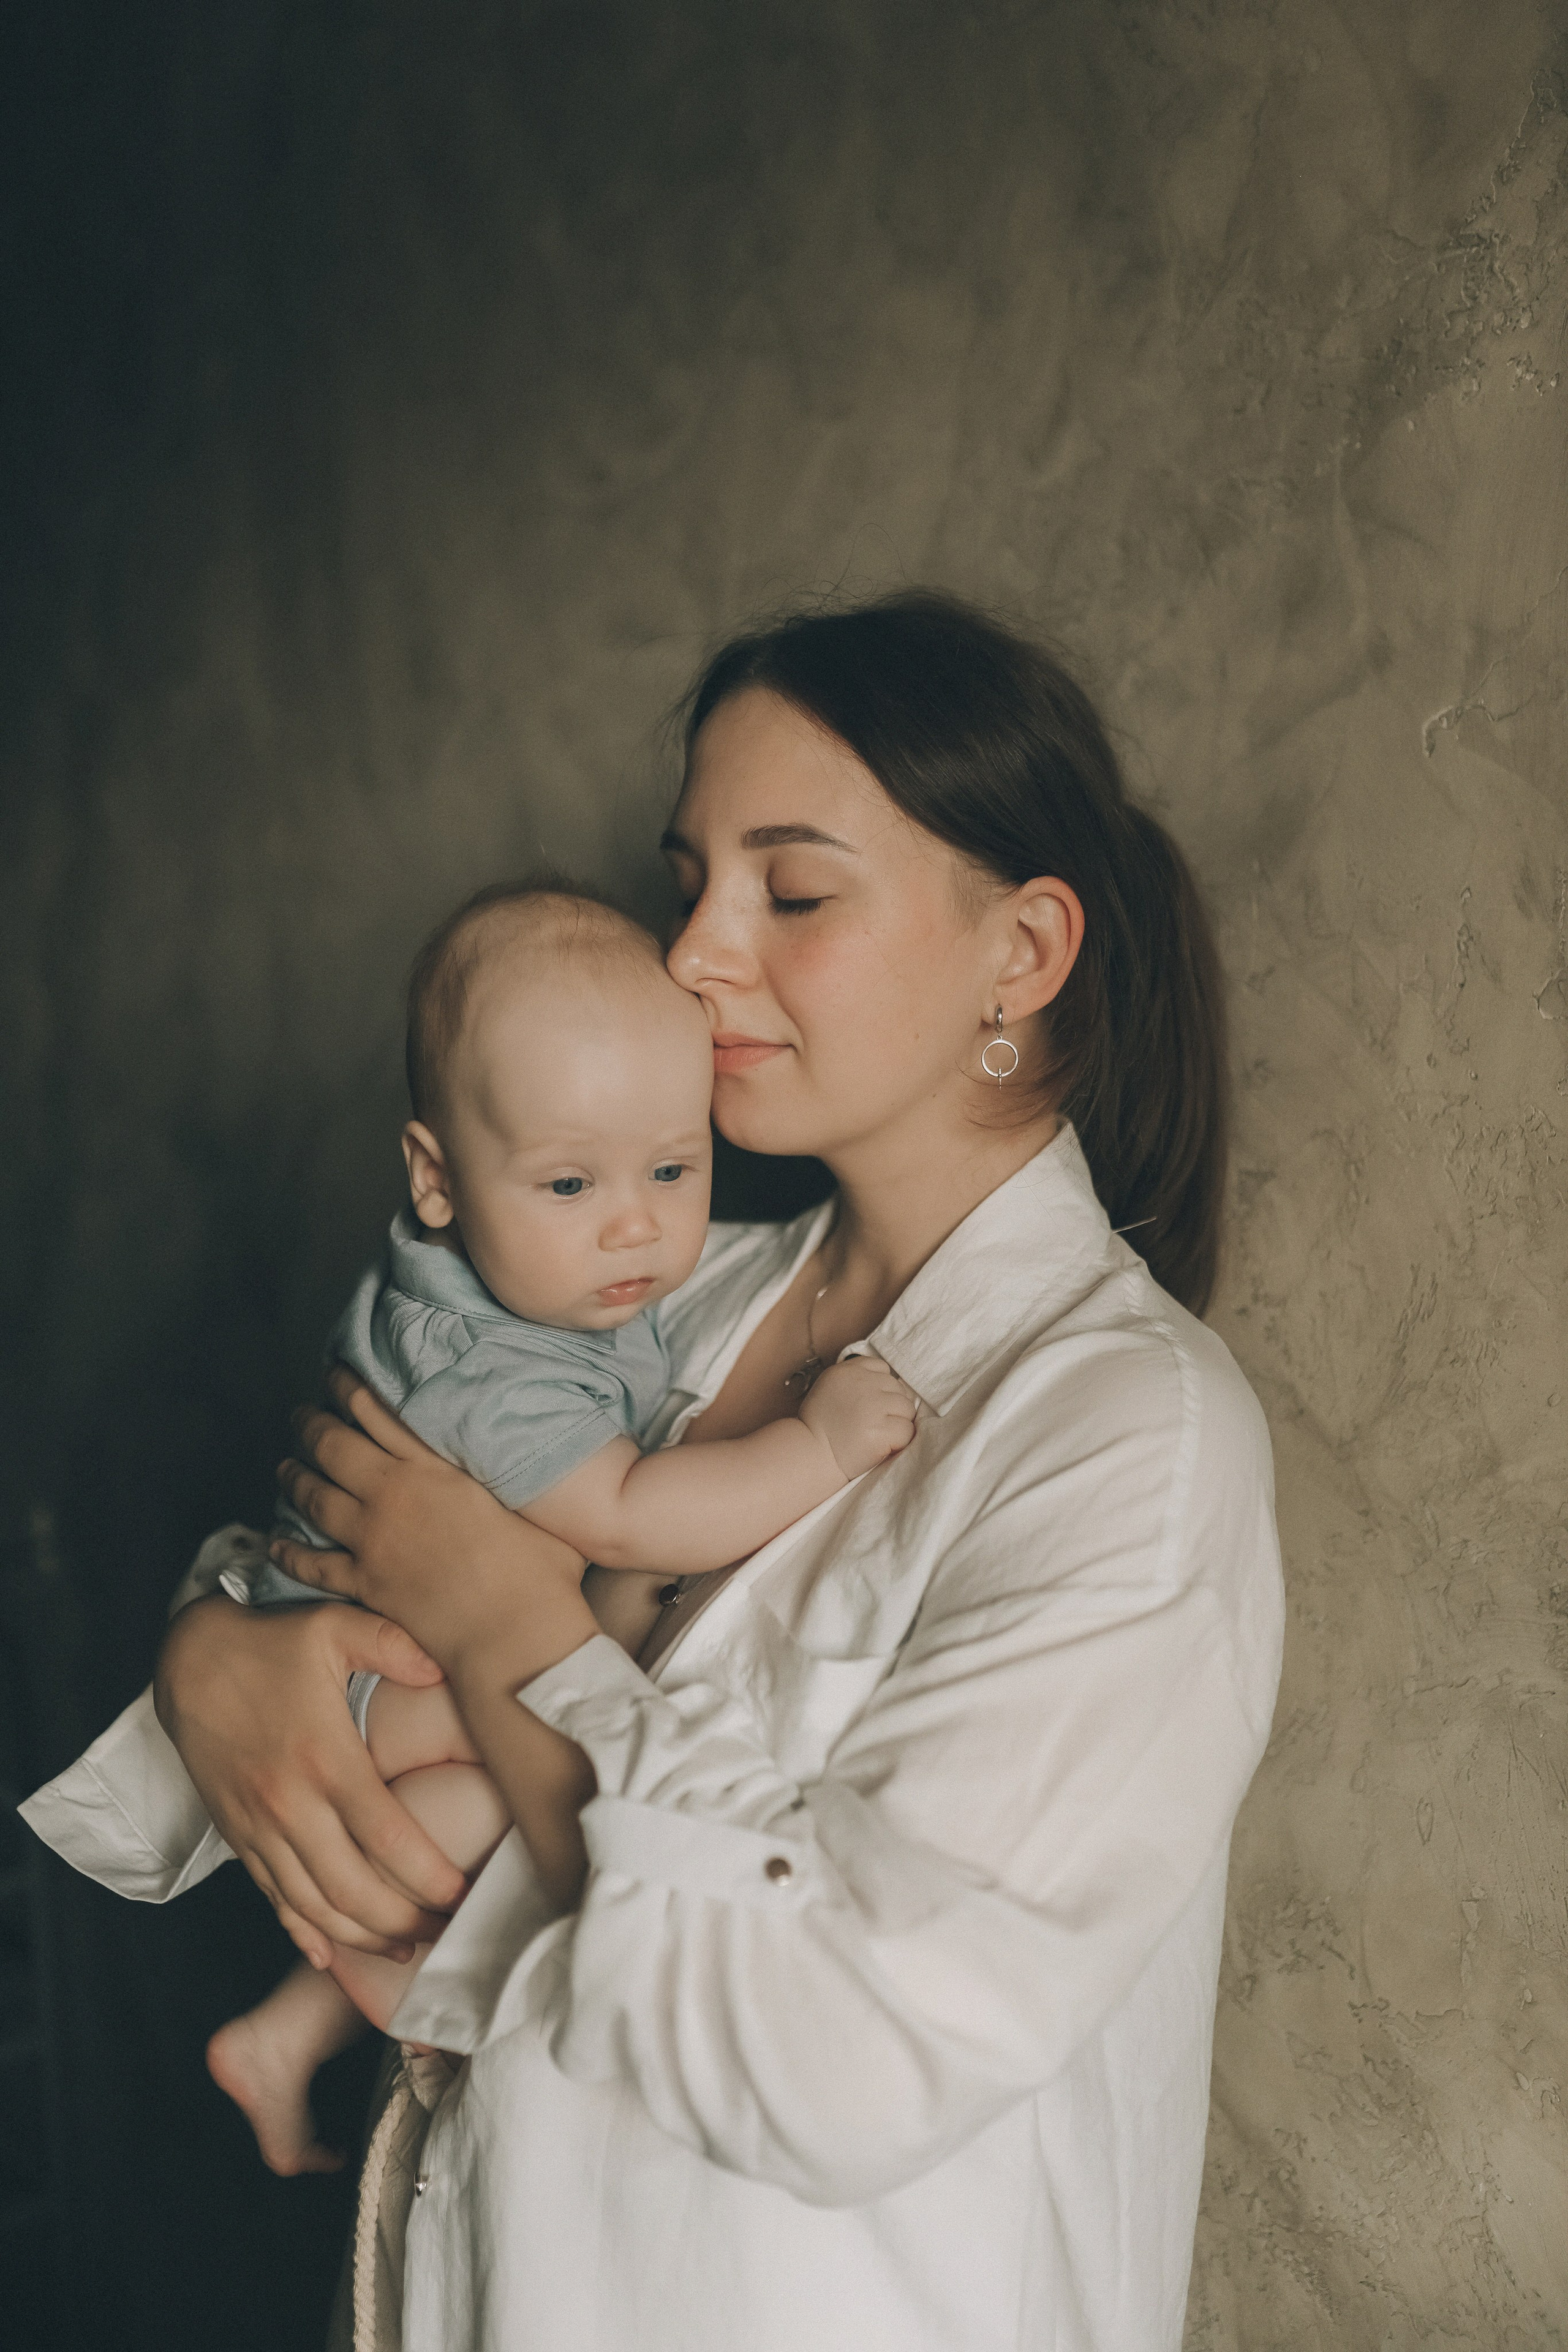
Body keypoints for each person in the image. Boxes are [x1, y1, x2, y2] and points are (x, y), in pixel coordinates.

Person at [99, 592, 1286, 2350]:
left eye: (789, 893)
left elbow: (838, 2048)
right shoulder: (670, 1280)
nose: (697, 955)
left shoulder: (1130, 1439)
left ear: (1022, 955)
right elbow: (351, 1497)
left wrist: (508, 1619)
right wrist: (213, 1648)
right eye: (690, 884)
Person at [24, 881, 914, 2178]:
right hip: (376, 1669)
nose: (636, 1224)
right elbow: (629, 1515)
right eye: (570, 1181)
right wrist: (819, 1448)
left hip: (379, 1647)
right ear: (435, 1178)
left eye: (673, 1167)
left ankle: (288, 2030)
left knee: (512, 1780)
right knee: (523, 1777)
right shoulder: (493, 1357)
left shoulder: (584, 1268)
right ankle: (376, 1973)